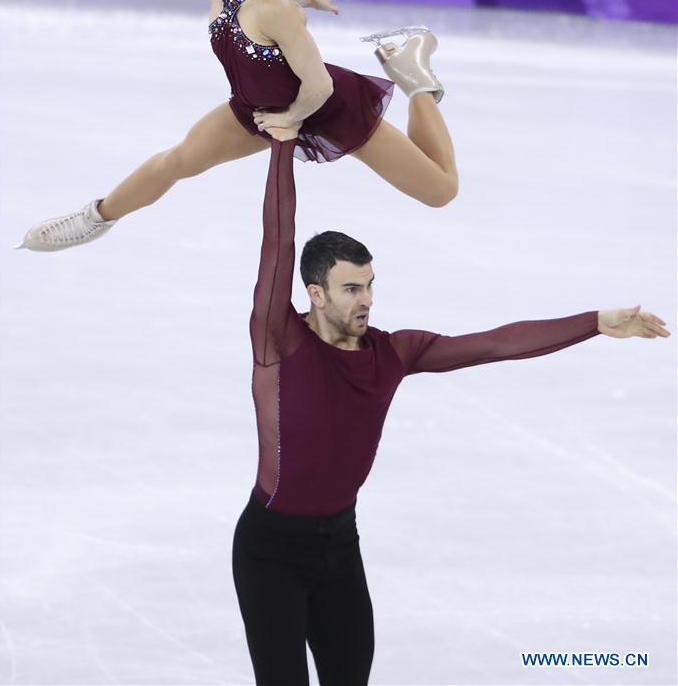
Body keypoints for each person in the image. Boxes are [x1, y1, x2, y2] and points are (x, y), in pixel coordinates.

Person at [234, 123, 669, 686]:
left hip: (339, 547)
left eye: (369, 285)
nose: (366, 299)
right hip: (270, 550)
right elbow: (277, 242)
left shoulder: (394, 352)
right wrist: (284, 147)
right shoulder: (280, 340)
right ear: (315, 294)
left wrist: (593, 323)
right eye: (350, 289)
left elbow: (493, 344)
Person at [16, 0, 457, 252]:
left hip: (324, 106)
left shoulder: (274, 10)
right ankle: (93, 218)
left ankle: (416, 77)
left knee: (440, 191)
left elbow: (318, 85)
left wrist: (289, 117)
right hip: (255, 107)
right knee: (180, 160)